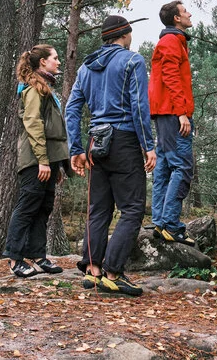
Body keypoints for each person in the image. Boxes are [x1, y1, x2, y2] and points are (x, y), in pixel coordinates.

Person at [65, 15, 156, 297]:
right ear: (125, 35)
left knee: (99, 209)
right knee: (131, 209)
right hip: (124, 140)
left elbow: (71, 109)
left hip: (96, 143)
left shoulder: (86, 67)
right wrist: (148, 145)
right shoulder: (133, 60)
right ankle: (113, 273)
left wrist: (77, 149)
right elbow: (140, 106)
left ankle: (93, 272)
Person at [4, 44, 71, 278]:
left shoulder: (47, 88)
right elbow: (33, 123)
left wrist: (57, 164)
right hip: (35, 160)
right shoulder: (33, 88)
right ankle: (15, 259)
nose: (59, 61)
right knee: (27, 207)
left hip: (48, 160)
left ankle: (38, 256)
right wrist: (43, 160)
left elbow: (54, 128)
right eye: (55, 57)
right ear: (43, 62)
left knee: (44, 208)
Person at [148, 1, 197, 247]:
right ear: (176, 18)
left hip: (165, 112)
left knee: (166, 165)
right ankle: (170, 224)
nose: (189, 13)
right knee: (182, 167)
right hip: (172, 113)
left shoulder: (172, 41)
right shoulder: (170, 42)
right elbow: (170, 77)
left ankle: (160, 222)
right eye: (185, 11)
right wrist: (181, 112)